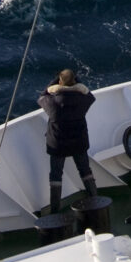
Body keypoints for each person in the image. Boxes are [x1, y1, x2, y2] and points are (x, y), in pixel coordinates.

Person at [38, 67, 98, 211]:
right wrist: (77, 83)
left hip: (58, 144)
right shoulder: (83, 100)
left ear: (59, 81)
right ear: (74, 83)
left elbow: (42, 96)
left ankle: (55, 210)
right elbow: (89, 94)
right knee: (85, 171)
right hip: (79, 142)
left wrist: (55, 82)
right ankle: (95, 200)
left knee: (56, 176)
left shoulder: (52, 103)